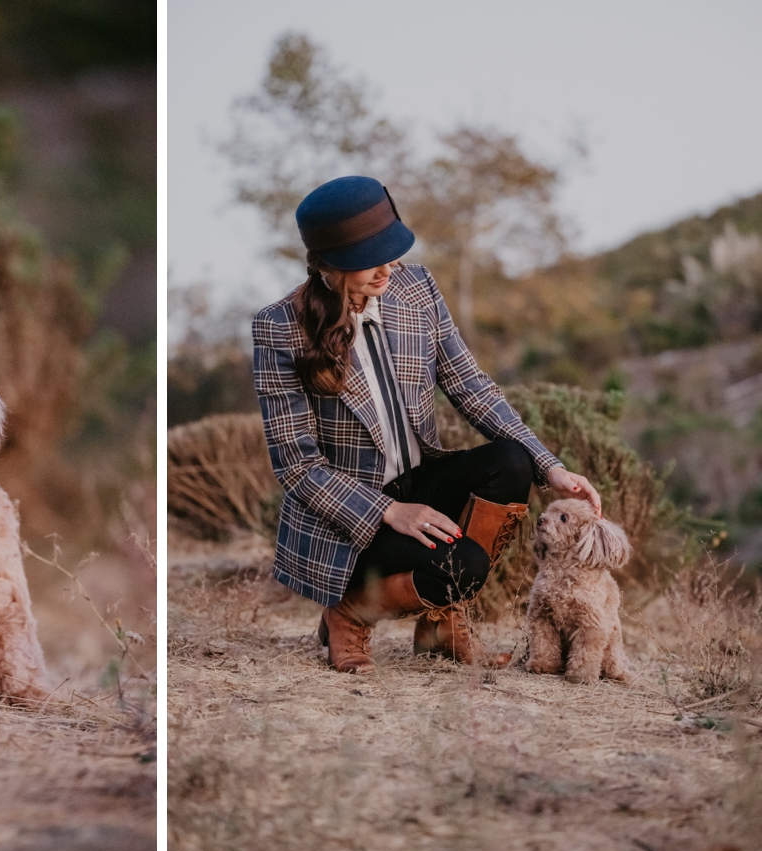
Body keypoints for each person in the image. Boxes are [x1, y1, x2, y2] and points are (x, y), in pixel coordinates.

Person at [252, 175, 601, 673]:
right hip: (351, 520)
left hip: (422, 478)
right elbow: (297, 465)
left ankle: (439, 625)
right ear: (329, 266)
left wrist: (552, 467)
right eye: (372, 257)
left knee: (512, 460)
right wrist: (390, 511)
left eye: (391, 249)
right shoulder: (279, 327)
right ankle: (348, 614)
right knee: (465, 566)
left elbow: (472, 388)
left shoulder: (417, 289)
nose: (388, 267)